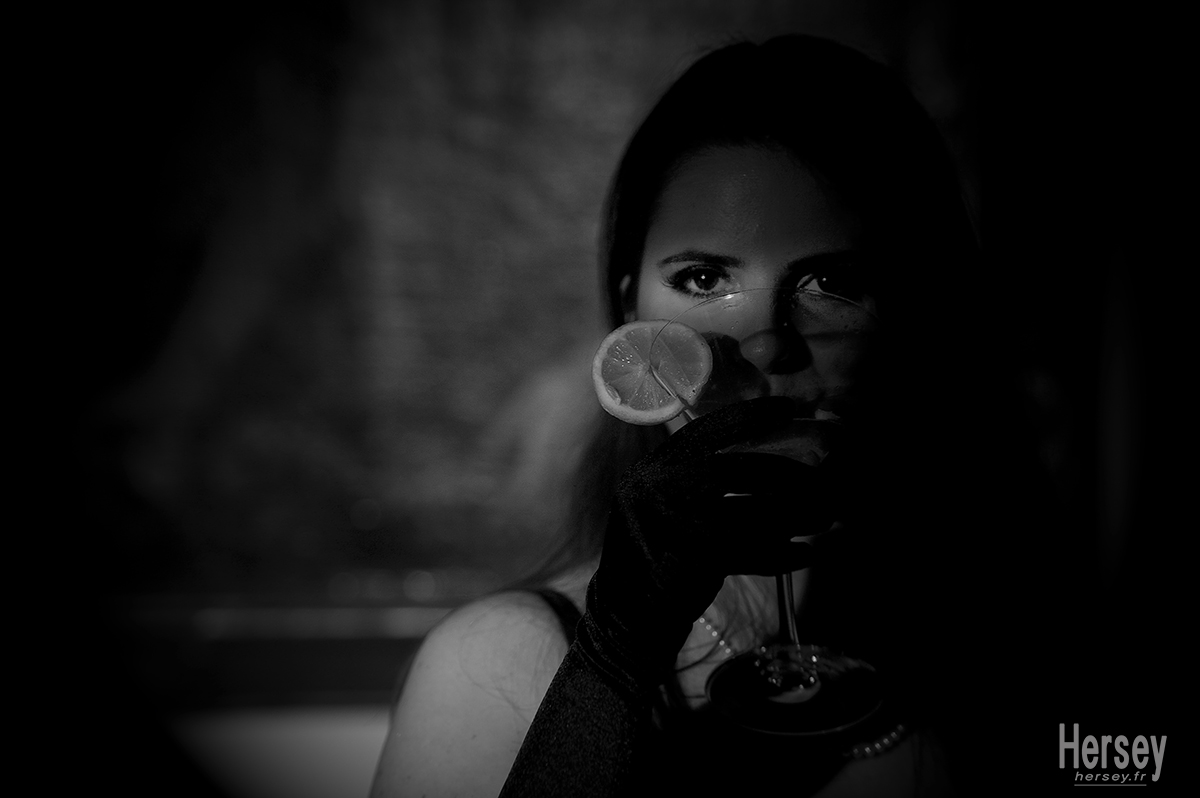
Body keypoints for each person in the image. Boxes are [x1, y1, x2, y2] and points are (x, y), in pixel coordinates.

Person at [372, 34, 1046, 797]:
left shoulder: (1017, 632)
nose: (764, 343)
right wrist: (616, 665)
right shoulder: (498, 665)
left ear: (918, 313)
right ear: (632, 314)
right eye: (701, 278)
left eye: (831, 282)